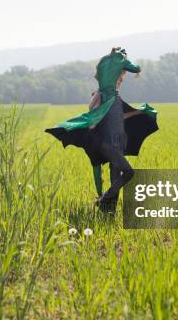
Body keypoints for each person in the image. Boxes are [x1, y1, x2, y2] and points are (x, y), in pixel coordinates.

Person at [45, 47, 158, 213]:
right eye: (122, 76)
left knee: (116, 182)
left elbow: (120, 117)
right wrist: (96, 100)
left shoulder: (115, 99)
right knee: (129, 173)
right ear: (118, 75)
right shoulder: (106, 98)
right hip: (109, 145)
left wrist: (139, 111)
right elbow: (94, 110)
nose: (122, 79)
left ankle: (108, 213)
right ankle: (103, 198)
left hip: (118, 144)